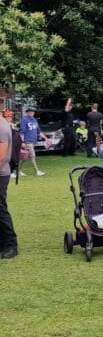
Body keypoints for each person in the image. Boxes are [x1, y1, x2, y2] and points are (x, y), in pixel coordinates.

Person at [0, 111, 18, 259]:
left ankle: (11, 244)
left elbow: (1, 155)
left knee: (0, 209)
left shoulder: (1, 127)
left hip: (0, 174)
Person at [19, 108, 48, 176]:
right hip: (28, 141)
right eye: (30, 111)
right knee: (33, 156)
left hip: (33, 141)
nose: (32, 113)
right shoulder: (24, 119)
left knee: (25, 158)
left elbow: (38, 131)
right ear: (27, 112)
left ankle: (17, 170)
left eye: (33, 112)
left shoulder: (34, 120)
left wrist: (45, 137)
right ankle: (37, 171)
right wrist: (22, 142)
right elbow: (22, 131)